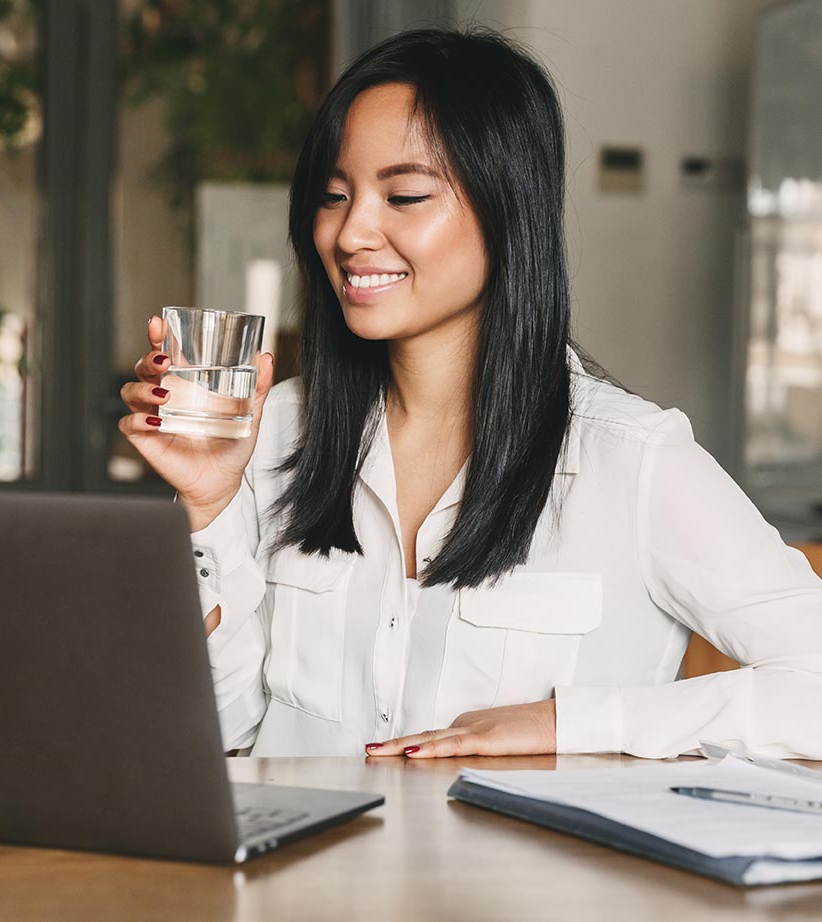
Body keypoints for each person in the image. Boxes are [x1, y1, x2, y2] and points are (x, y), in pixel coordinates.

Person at [120, 28, 822, 760]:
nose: (351, 231)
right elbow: (218, 738)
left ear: (507, 208)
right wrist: (209, 505)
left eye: (405, 195)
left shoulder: (631, 460)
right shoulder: (271, 435)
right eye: (333, 195)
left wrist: (569, 724)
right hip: (301, 873)